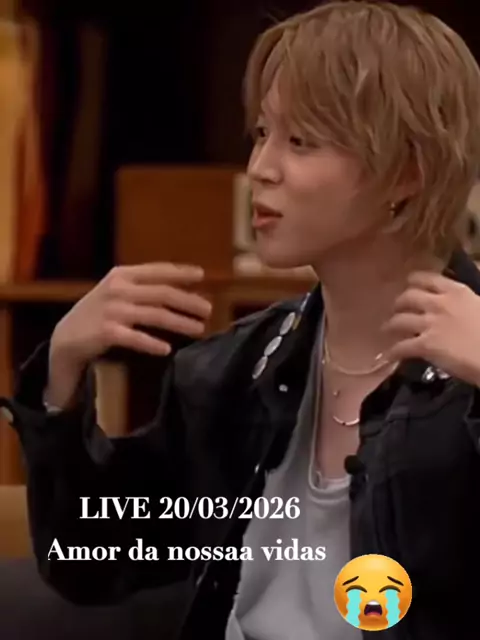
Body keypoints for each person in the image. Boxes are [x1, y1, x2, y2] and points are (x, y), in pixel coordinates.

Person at [3, 1, 480, 638]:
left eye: (300, 142)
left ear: (407, 171)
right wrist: (61, 374)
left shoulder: (472, 370)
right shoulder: (237, 370)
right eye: (261, 134)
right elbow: (94, 563)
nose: (260, 168)